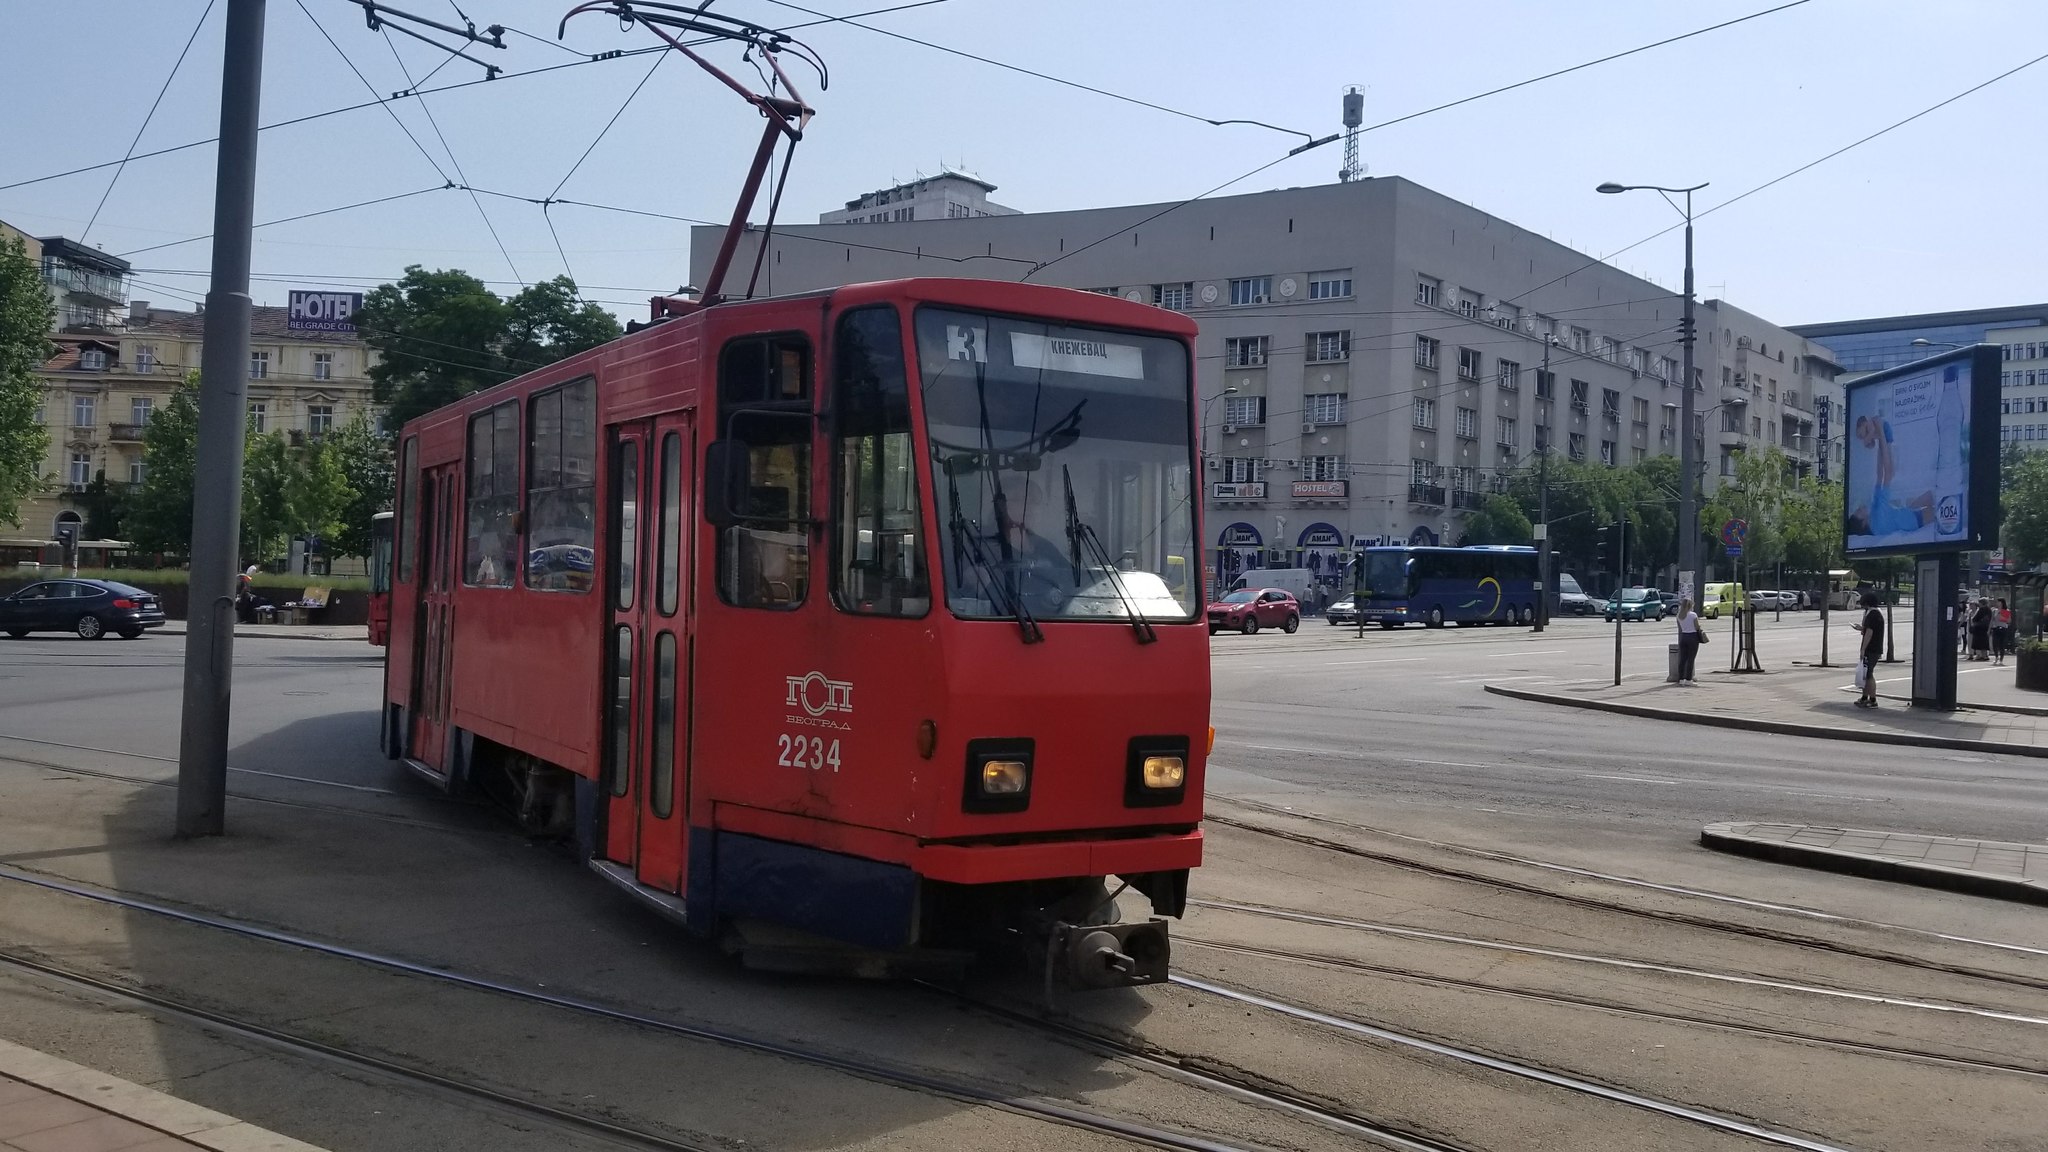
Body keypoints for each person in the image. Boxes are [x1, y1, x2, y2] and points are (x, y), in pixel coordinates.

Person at [1852, 590, 1885, 708]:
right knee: (1865, 674)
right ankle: (1864, 697)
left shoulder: (1872, 614)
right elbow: (1870, 630)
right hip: (1876, 648)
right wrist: (1861, 628)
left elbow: (1869, 633)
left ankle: (1873, 699)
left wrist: (1863, 649)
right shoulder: (1877, 613)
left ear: (1867, 603)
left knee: (1869, 674)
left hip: (1871, 648)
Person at [1674, 596, 1702, 686]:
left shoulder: (1679, 615)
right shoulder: (1693, 615)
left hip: (1683, 637)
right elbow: (1697, 627)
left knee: (1683, 659)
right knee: (1691, 659)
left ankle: (1681, 679)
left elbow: (1680, 628)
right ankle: (1689, 679)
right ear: (1690, 605)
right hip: (1692, 637)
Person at [1969, 597, 1993, 662]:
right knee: (1984, 642)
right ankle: (1985, 655)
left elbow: (1975, 618)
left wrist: (1973, 620)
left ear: (1982, 603)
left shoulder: (1981, 610)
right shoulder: (1989, 610)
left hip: (1979, 628)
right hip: (1985, 628)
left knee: (1979, 642)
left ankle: (1981, 655)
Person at [1994, 597, 2014, 666]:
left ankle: (2001, 659)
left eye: (1998, 602)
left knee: (2001, 645)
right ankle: (1996, 657)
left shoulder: (2006, 610)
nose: (1997, 603)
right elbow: (1992, 620)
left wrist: (2002, 616)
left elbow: (2009, 621)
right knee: (1995, 644)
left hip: (2003, 628)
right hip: (1996, 628)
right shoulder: (1994, 610)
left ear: (2002, 603)